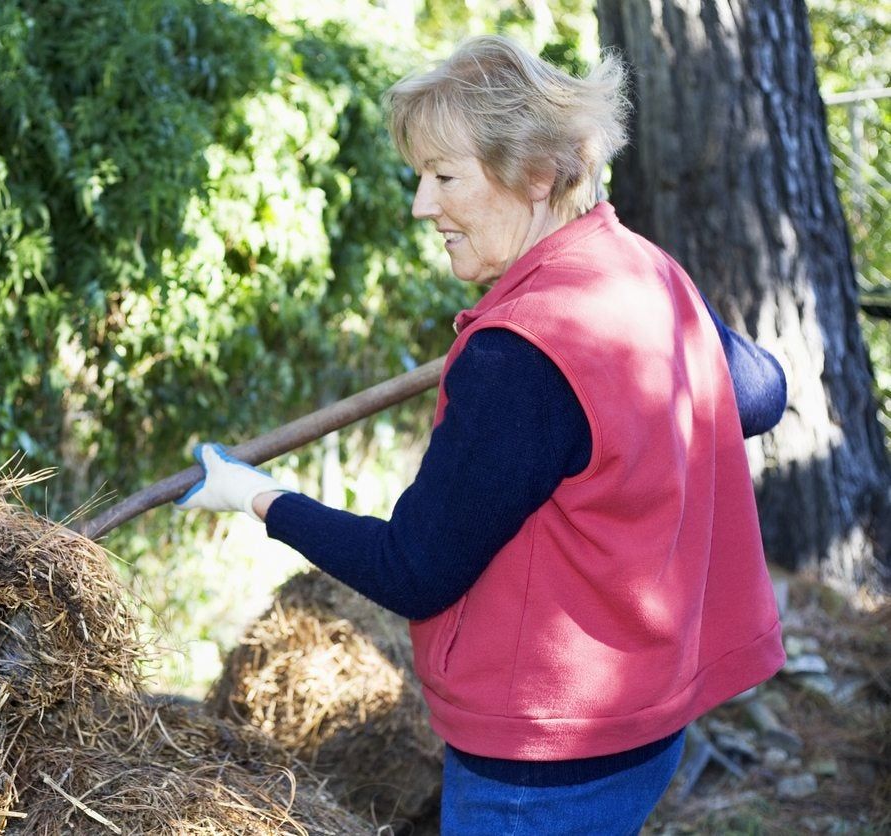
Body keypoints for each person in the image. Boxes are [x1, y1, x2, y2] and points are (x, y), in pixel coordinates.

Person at [176, 35, 787, 834]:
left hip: (540, 763)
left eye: (444, 175)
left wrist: (255, 495)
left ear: (536, 175)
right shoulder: (642, 271)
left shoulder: (518, 359)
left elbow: (414, 571)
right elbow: (760, 392)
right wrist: (657, 314)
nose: (421, 206)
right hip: (645, 727)